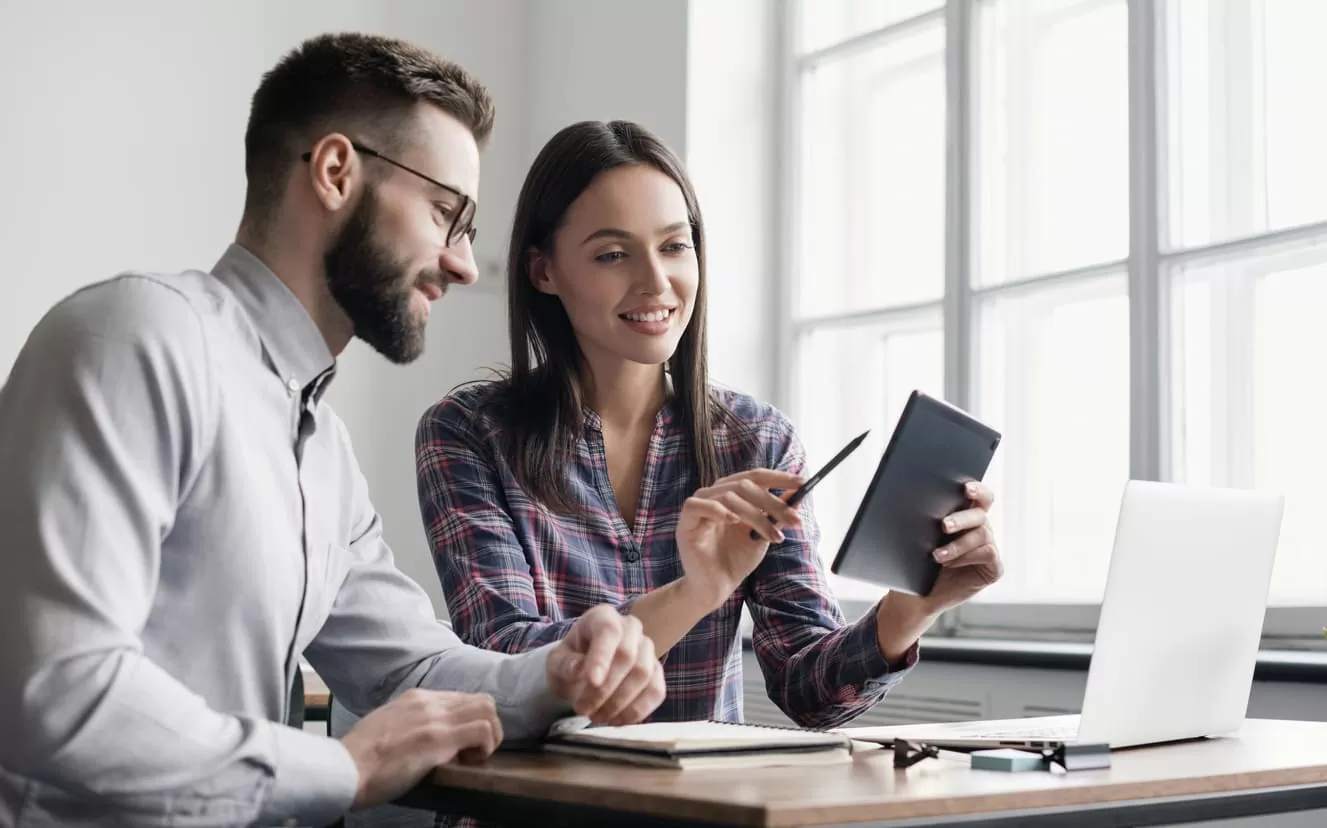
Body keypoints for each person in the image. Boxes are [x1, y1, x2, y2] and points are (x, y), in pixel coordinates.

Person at [0, 36, 665, 828]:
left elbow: (409, 666)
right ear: (336, 172)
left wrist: (556, 672)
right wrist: (344, 768)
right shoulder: (136, 336)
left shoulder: (322, 448)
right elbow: (53, 687)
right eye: (445, 213)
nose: (462, 265)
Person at [414, 120, 1003, 730]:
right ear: (543, 272)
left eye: (674, 245)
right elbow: (507, 660)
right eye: (613, 254)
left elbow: (808, 688)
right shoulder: (467, 434)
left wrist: (912, 608)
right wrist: (695, 592)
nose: (656, 282)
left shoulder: (756, 439)